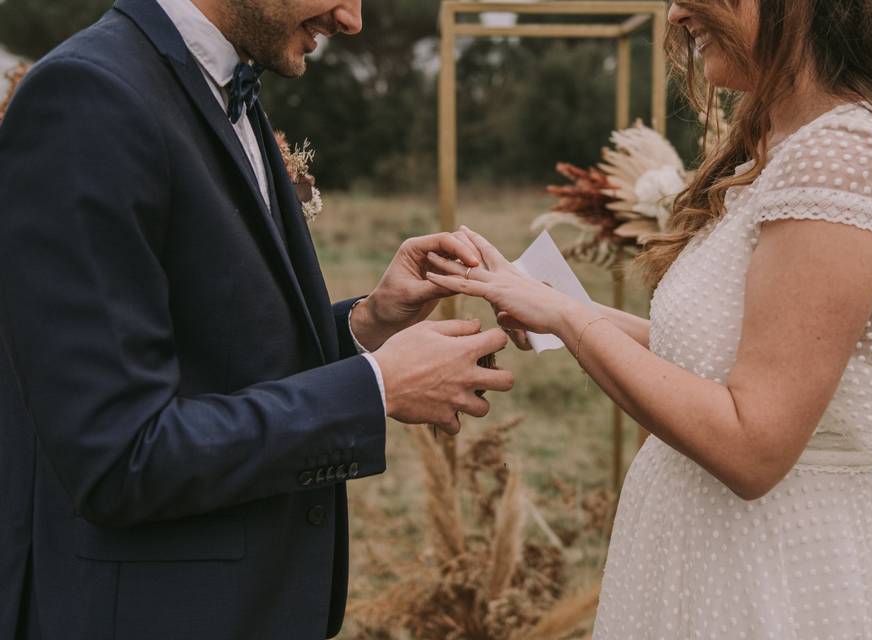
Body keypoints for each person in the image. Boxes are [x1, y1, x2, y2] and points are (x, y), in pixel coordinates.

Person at [427, 0, 872, 636]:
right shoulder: (789, 149)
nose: (676, 12)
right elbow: (716, 360)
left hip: (767, 567)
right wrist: (540, 296)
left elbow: (751, 447)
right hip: (701, 546)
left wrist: (569, 321)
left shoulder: (845, 159)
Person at [0, 0, 514, 638]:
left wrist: (368, 324)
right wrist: (377, 388)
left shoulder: (220, 86)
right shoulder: (90, 96)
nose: (352, 19)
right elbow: (120, 457)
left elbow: (212, 359)